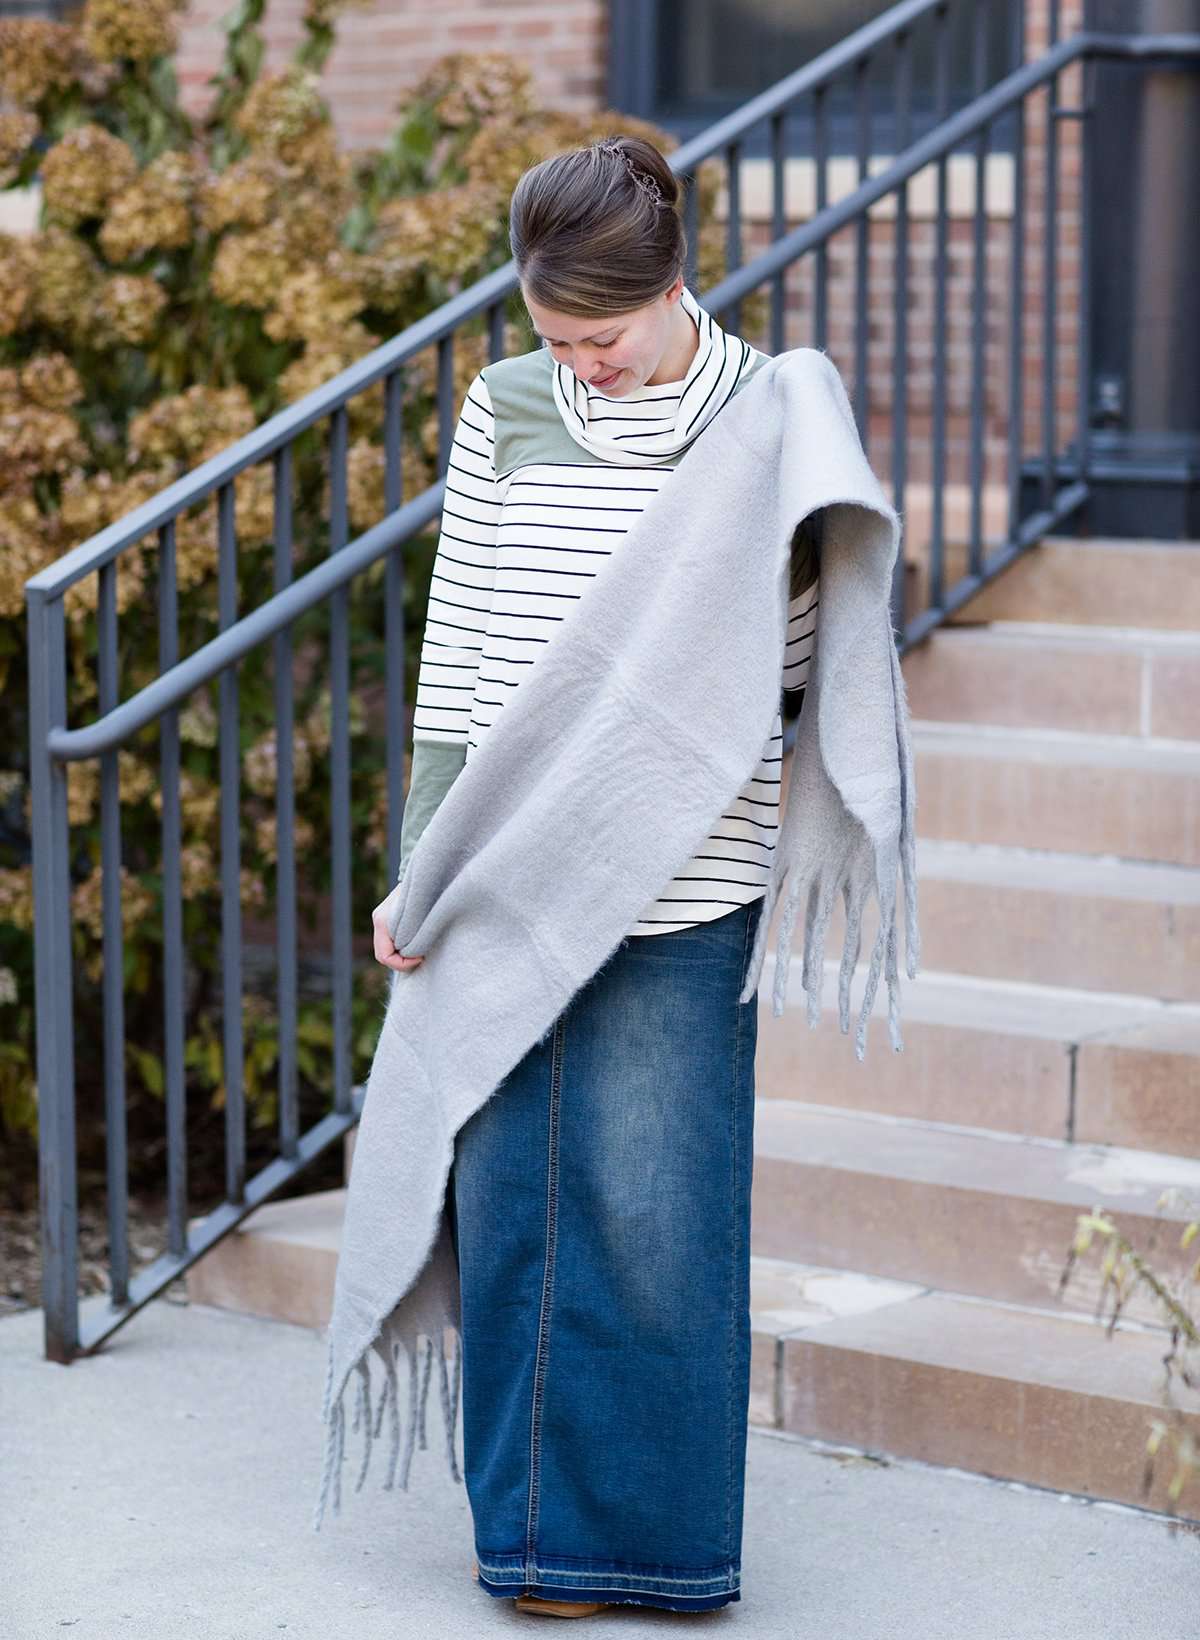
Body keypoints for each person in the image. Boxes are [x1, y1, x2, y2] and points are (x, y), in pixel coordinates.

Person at [370, 134, 821, 1618]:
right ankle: (531, 1551)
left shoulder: (767, 416)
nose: (581, 365)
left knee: (659, 1222)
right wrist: (417, 869)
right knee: (512, 1211)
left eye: (602, 338)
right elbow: (463, 647)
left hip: (693, 881)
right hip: (508, 878)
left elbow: (802, 650)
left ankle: (664, 1554)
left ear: (671, 287)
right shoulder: (506, 410)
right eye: (554, 336)